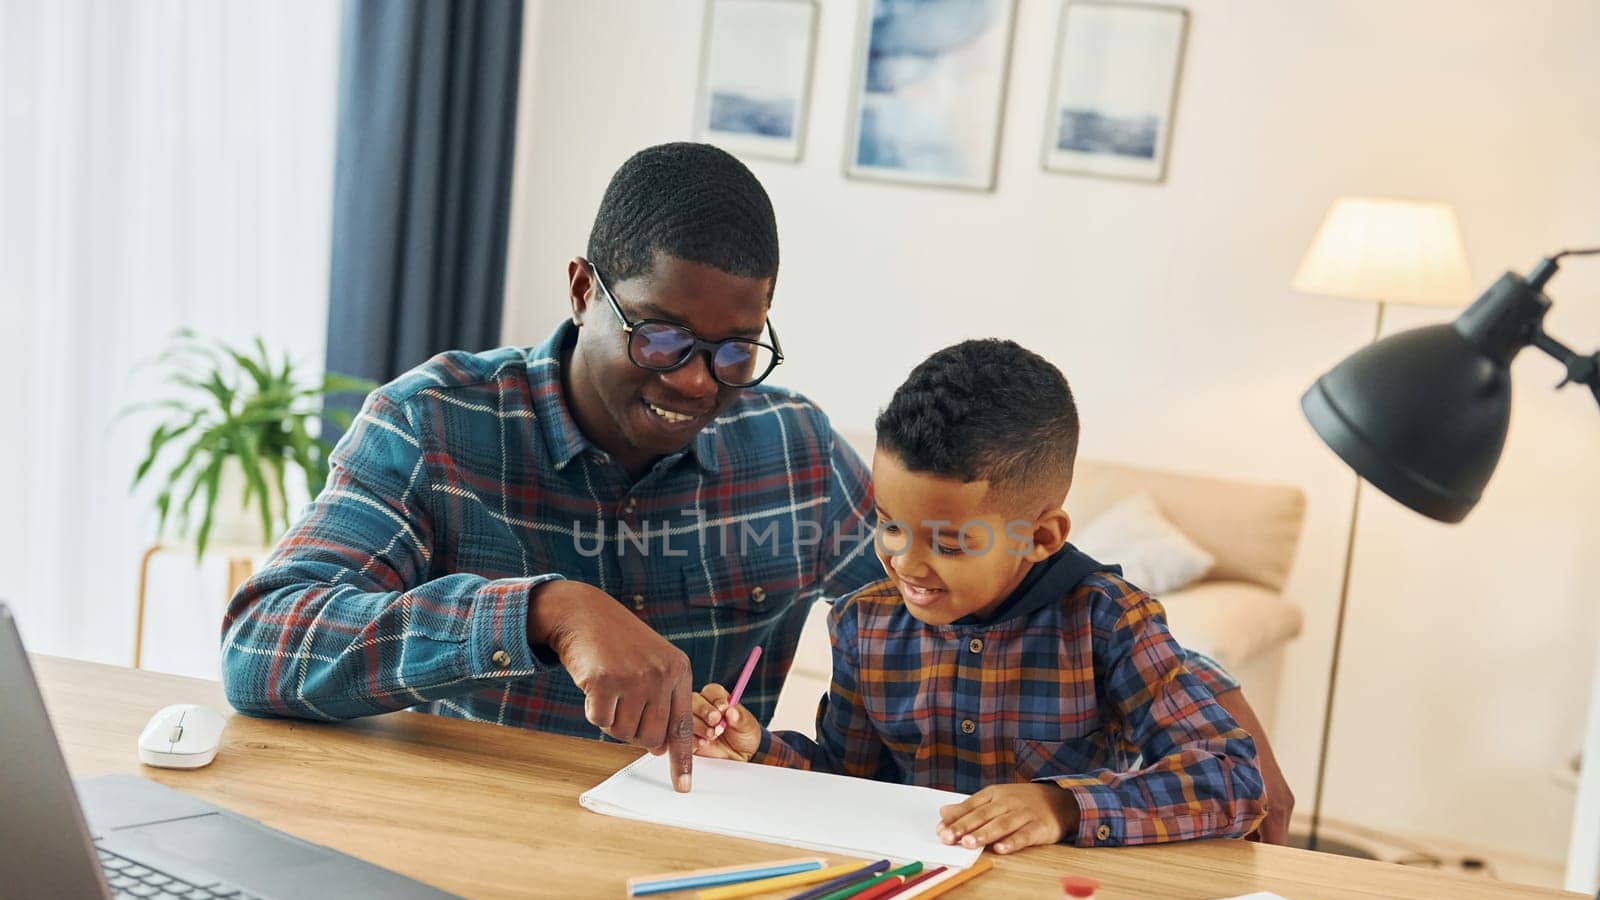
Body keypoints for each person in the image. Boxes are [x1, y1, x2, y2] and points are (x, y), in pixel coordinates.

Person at [221, 141, 1293, 838]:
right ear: (585, 286)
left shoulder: (785, 450)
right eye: (664, 336)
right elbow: (263, 643)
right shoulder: (434, 425)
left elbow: (976, 583)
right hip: (464, 850)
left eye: (736, 349)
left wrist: (1209, 716)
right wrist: (547, 611)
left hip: (703, 870)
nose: (697, 382)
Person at [691, 339, 1266, 852]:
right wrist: (759, 752)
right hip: (895, 892)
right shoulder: (863, 624)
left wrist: (1063, 806)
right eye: (890, 525)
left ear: (1040, 538)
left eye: (947, 543)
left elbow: (1232, 778)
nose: (905, 563)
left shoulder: (1107, 623)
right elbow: (848, 778)